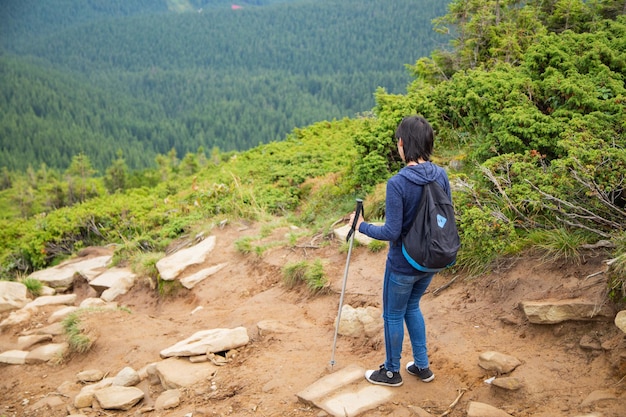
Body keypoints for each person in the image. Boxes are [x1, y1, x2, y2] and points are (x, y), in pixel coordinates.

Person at [349, 115, 452, 387]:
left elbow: (392, 232)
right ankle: (422, 366)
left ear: (404, 144)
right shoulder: (441, 174)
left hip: (404, 263)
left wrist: (362, 226)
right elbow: (445, 216)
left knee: (393, 314)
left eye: (399, 140)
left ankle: (392, 371)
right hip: (432, 259)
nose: (398, 144)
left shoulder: (398, 183)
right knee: (412, 307)